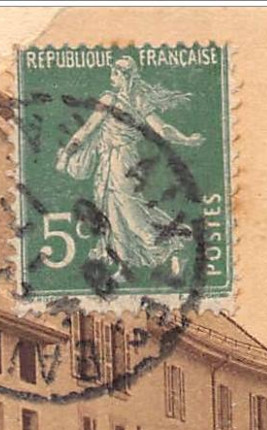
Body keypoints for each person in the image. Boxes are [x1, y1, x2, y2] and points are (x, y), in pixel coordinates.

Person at [56, 57, 204, 274]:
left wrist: (186, 139)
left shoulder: (130, 100)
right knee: (112, 213)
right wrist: (187, 139)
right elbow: (87, 130)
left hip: (124, 164)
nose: (111, 77)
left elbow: (161, 129)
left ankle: (176, 244)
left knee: (132, 215)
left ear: (122, 76)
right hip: (110, 163)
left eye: (114, 73)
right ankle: (123, 266)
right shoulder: (127, 99)